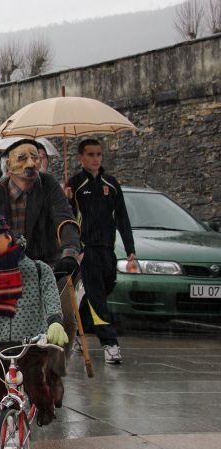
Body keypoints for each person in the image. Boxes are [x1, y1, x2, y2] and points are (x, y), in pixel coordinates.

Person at [0, 138, 81, 406]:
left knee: (66, 320)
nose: (30, 163)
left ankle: (54, 374)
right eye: (22, 158)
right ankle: (6, 378)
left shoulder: (48, 185)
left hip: (47, 266)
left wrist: (70, 252)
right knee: (1, 324)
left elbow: (65, 218)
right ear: (8, 166)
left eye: (34, 157)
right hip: (6, 268)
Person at [0, 214, 68, 440]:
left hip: (30, 340)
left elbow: (51, 296)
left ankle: (44, 407)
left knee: (33, 377)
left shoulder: (36, 269)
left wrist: (54, 321)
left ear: (8, 237)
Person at [65, 139, 136, 364]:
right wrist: (66, 199)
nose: (95, 159)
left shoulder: (111, 184)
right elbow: (66, 219)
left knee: (103, 291)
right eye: (90, 154)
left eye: (98, 154)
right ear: (80, 158)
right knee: (96, 296)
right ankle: (110, 344)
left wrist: (130, 250)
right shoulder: (74, 184)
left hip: (108, 250)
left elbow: (122, 218)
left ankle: (75, 329)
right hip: (87, 250)